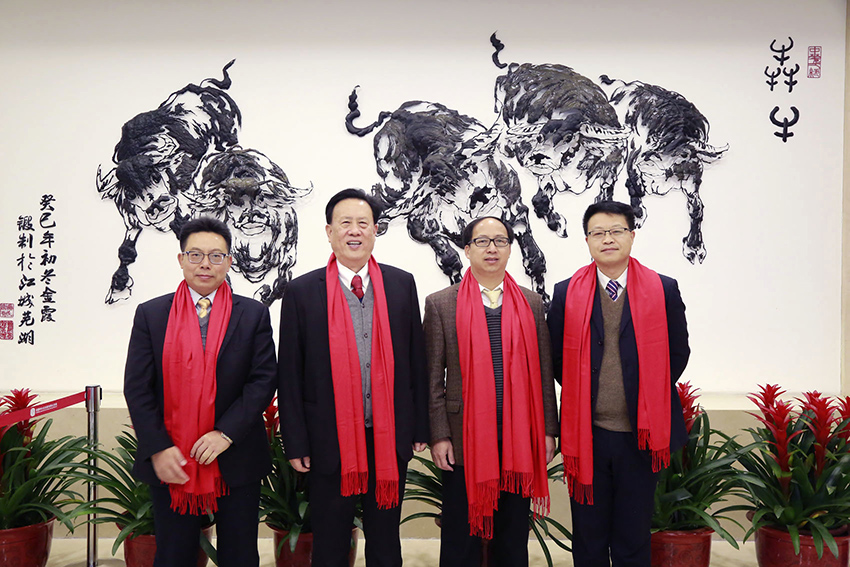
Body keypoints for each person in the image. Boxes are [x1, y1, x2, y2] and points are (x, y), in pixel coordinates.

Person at [278, 188, 429, 567]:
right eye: (345, 223)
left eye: (363, 223)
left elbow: (416, 360)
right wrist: (295, 441)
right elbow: (290, 374)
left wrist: (419, 427)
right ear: (329, 232)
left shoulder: (401, 284)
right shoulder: (301, 292)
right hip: (327, 440)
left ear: (376, 230)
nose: (354, 231)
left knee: (385, 542)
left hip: (388, 437)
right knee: (330, 543)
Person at [124, 217, 277, 567]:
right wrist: (158, 447)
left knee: (240, 554)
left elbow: (263, 379)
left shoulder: (252, 314)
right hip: (173, 456)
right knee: (174, 554)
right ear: (181, 259)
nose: (205, 264)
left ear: (229, 261)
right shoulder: (152, 314)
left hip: (235, 454)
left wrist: (226, 433)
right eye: (195, 255)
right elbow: (138, 386)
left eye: (215, 256)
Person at [547, 200, 690, 567]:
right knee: (589, 535)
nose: (607, 239)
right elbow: (557, 361)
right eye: (598, 232)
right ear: (587, 240)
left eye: (616, 231)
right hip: (588, 434)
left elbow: (678, 353)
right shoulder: (565, 292)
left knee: (633, 535)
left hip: (641, 437)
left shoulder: (663, 288)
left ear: (632, 236)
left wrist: (646, 392)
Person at [425, 216, 558, 567]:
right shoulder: (441, 304)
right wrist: (439, 434)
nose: (492, 248)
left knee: (512, 537)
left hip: (519, 438)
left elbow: (544, 373)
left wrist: (548, 430)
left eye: (500, 241)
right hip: (462, 438)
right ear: (467, 250)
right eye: (482, 241)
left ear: (510, 249)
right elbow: (432, 378)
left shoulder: (532, 303)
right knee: (461, 537)